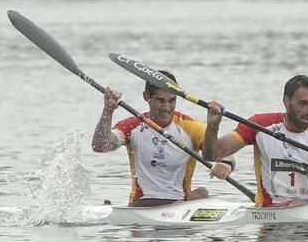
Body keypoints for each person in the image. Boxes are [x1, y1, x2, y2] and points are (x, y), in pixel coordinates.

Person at [202, 75, 308, 207]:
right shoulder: (259, 125)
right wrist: (213, 126)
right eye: (303, 103)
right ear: (286, 101)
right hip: (271, 216)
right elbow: (212, 154)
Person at [92, 70, 236, 207]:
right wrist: (108, 111)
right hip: (143, 205)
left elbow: (221, 153)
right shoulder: (133, 126)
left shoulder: (190, 127)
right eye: (160, 101)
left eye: (172, 100)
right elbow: (100, 146)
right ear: (146, 97)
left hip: (180, 206)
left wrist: (226, 163)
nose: (167, 108)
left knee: (202, 193)